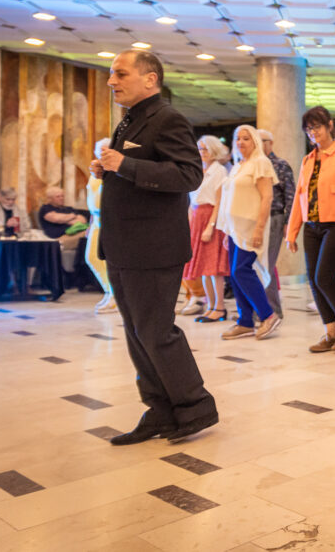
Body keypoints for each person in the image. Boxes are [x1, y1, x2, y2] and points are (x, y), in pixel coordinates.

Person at [91, 49, 217, 445]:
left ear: (150, 79)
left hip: (153, 246)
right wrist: (110, 168)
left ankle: (195, 406)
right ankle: (160, 409)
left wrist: (123, 166)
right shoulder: (131, 120)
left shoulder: (168, 118)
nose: (112, 81)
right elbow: (137, 166)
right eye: (112, 74)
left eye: (120, 74)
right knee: (136, 332)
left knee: (155, 330)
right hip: (125, 243)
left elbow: (188, 175)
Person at [286, 106, 335, 353]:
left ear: (329, 125)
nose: (313, 133)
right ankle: (330, 332)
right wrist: (292, 232)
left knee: (324, 278)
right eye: (308, 129)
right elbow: (301, 197)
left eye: (316, 127)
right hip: (312, 226)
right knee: (314, 280)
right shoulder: (308, 160)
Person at [211, 125, 281, 341]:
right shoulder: (238, 166)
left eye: (246, 138)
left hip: (251, 226)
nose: (241, 142)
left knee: (242, 270)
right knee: (234, 273)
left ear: (255, 142)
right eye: (238, 138)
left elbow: (267, 197)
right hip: (234, 228)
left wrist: (260, 228)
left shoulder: (261, 162)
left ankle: (268, 315)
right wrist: (226, 231)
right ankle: (245, 322)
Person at [183, 135, 231, 323]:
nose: (201, 153)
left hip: (211, 218)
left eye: (205, 149)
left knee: (213, 268)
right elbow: (191, 200)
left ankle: (219, 307)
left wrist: (210, 226)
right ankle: (210, 305)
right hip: (196, 217)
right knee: (202, 267)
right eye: (199, 149)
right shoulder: (198, 170)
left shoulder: (219, 171)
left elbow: (219, 202)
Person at [258, 129, 296, 318]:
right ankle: (263, 308)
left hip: (274, 218)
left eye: (261, 140)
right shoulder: (253, 164)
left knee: (267, 263)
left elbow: (291, 195)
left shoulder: (280, 165)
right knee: (258, 264)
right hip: (256, 220)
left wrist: (288, 222)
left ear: (270, 143)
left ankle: (272, 309)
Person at [85, 140, 116, 314]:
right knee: (91, 257)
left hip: (109, 220)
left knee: (108, 260)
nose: (101, 153)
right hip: (96, 220)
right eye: (99, 150)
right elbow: (92, 199)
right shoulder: (94, 171)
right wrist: (90, 224)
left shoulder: (111, 172)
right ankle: (109, 291)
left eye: (105, 150)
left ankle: (115, 295)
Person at [38, 187, 88, 271]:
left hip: (75, 234)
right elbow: (56, 219)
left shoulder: (68, 209)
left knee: (88, 234)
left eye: (62, 196)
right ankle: (80, 270)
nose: (61, 198)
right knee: (87, 235)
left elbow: (82, 220)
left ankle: (82, 270)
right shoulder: (45, 209)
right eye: (58, 196)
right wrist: (72, 217)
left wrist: (65, 219)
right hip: (60, 238)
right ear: (50, 198)